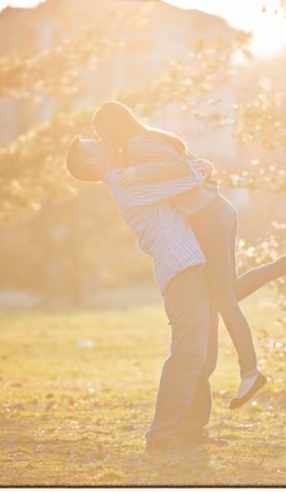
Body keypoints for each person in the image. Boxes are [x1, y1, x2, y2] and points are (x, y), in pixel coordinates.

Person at [90, 101, 286, 408]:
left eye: (101, 133)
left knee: (223, 299)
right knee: (227, 292)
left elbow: (182, 169)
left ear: (112, 126)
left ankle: (250, 372)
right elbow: (199, 166)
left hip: (207, 216)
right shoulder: (149, 140)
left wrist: (136, 171)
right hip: (214, 212)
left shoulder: (137, 145)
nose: (104, 141)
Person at [66, 136, 217, 452]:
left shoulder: (129, 176)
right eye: (94, 143)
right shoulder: (125, 184)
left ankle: (191, 431)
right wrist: (199, 169)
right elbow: (179, 186)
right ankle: (161, 437)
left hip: (190, 267)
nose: (102, 140)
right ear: (93, 161)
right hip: (180, 271)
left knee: (201, 355)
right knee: (188, 355)